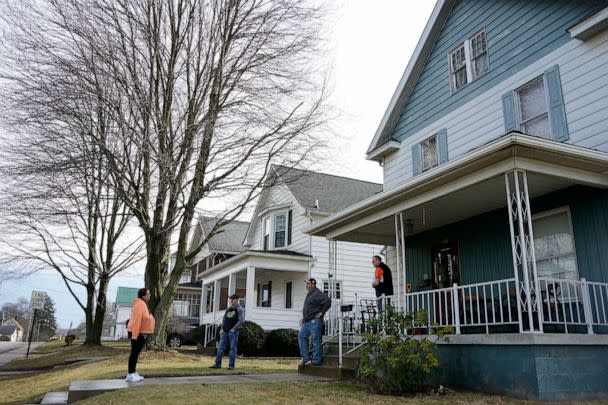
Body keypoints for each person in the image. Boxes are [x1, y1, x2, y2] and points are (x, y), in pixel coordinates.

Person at [298, 278, 331, 367]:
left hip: (315, 321)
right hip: (307, 321)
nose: (307, 285)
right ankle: (305, 358)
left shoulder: (317, 294)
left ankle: (316, 360)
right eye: (306, 283)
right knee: (301, 336)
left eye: (308, 283)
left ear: (313, 284)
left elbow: (328, 301)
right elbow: (310, 308)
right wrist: (304, 318)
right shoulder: (310, 294)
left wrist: (321, 312)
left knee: (316, 340)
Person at [125, 288, 155, 382]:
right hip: (137, 332)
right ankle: (130, 375)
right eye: (148, 294)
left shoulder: (142, 304)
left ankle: (133, 372)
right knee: (134, 353)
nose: (150, 295)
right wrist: (135, 335)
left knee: (136, 353)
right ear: (143, 295)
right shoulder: (140, 304)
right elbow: (137, 320)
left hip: (140, 332)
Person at [209, 293, 244, 370]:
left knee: (232, 349)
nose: (231, 301)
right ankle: (217, 364)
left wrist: (234, 329)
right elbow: (224, 319)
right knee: (220, 348)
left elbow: (241, 321)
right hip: (225, 331)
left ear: (237, 300)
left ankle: (231, 366)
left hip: (233, 332)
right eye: (231, 299)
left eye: (233, 299)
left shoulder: (240, 309)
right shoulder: (228, 309)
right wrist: (221, 329)